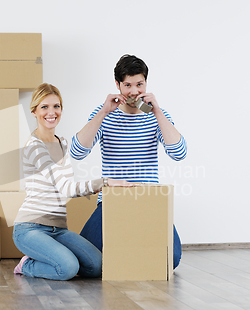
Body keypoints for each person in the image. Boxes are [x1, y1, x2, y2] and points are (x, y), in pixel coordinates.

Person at [70, 54, 187, 269]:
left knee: (172, 258)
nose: (134, 91)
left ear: (146, 83)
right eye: (128, 85)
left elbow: (179, 153)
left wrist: (157, 112)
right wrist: (104, 112)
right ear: (118, 85)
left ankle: (132, 256)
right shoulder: (104, 114)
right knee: (87, 260)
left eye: (139, 84)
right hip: (112, 200)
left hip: (148, 199)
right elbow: (77, 152)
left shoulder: (156, 115)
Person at [13, 83, 135, 280]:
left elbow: (67, 185)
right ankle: (27, 265)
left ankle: (53, 258)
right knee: (68, 268)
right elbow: (67, 188)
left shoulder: (62, 142)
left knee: (97, 266)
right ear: (34, 111)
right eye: (44, 107)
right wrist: (105, 182)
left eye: (56, 106)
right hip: (30, 228)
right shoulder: (35, 147)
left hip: (58, 229)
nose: (51, 112)